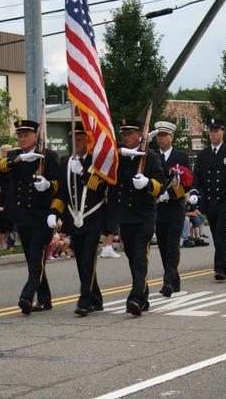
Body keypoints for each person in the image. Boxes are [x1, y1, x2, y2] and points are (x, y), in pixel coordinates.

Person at [0, 119, 62, 315]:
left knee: (36, 257)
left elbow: (59, 185)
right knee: (33, 259)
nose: (22, 138)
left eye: (26, 135)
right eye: (20, 135)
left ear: (36, 136)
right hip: (21, 216)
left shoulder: (47, 156)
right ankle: (45, 299)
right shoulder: (15, 155)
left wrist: (48, 185)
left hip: (42, 216)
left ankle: (26, 296)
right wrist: (19, 159)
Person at [107, 118, 164, 316]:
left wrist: (148, 183)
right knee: (132, 257)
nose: (125, 137)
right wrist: (122, 151)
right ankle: (143, 295)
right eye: (123, 134)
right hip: (125, 216)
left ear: (140, 134)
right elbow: (104, 150)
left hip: (144, 215)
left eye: (130, 133)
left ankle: (136, 298)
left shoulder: (151, 157)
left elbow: (160, 186)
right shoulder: (119, 155)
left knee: (140, 257)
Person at [51, 121, 107, 315]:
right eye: (74, 138)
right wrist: (54, 212)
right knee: (80, 259)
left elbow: (100, 187)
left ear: (89, 140)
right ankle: (96, 298)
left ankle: (84, 300)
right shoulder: (66, 162)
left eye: (81, 138)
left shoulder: (96, 162)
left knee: (88, 259)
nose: (78, 141)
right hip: (74, 219)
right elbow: (62, 193)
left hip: (93, 218)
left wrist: (82, 172)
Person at [190, 118, 226, 281]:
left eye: (216, 130)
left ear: (222, 132)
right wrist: (194, 191)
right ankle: (225, 265)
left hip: (225, 200)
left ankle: (219, 267)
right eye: (211, 131)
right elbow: (197, 176)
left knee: (220, 232)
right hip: (209, 201)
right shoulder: (203, 154)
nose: (213, 134)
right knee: (216, 234)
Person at [152, 121, 190, 297]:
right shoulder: (152, 156)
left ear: (171, 137)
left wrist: (170, 194)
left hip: (175, 207)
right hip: (158, 209)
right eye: (159, 135)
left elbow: (187, 182)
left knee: (173, 245)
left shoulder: (181, 156)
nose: (161, 138)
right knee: (163, 246)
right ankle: (175, 281)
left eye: (164, 135)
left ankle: (167, 281)